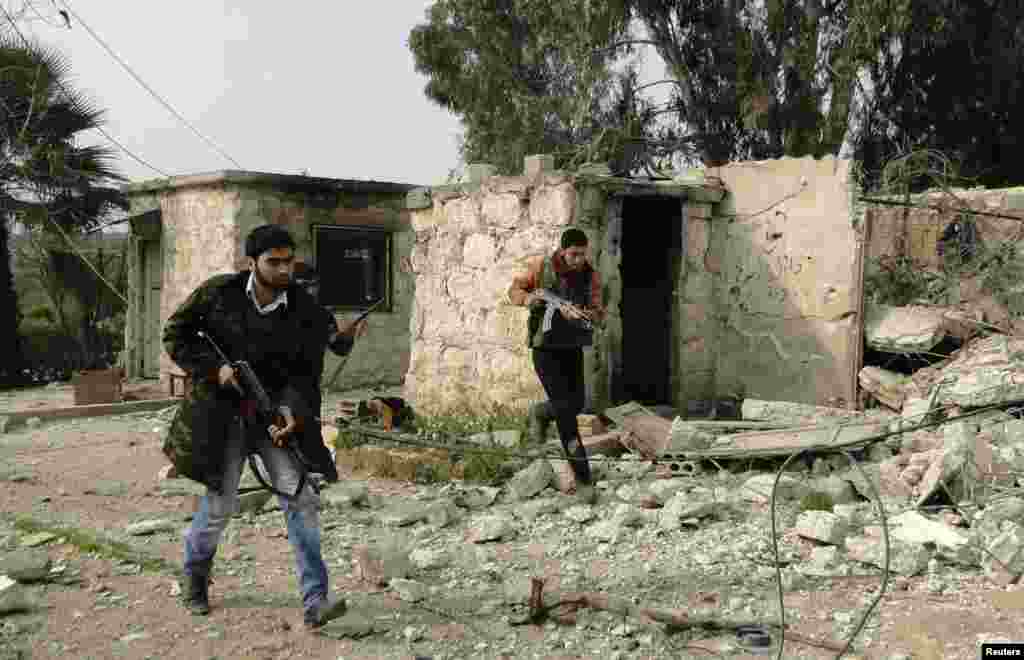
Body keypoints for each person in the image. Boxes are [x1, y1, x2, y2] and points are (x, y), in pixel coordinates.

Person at [162, 224, 366, 628]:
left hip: (273, 419)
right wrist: (213, 369)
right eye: (274, 262)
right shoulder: (219, 293)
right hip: (222, 415)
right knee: (220, 505)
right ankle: (195, 576)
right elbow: (176, 334)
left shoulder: (305, 309)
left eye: (289, 261)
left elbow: (308, 371)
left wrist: (293, 410)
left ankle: (316, 600)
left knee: (302, 500)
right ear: (251, 262)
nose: (284, 269)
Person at [508, 227, 605, 502]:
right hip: (544, 348)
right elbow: (514, 290)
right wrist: (532, 300)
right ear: (563, 251)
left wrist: (582, 314)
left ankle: (540, 412)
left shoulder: (590, 275)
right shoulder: (541, 267)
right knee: (566, 415)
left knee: (576, 404)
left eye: (583, 254)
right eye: (574, 254)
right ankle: (584, 481)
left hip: (571, 347)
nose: (578, 260)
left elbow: (599, 311)